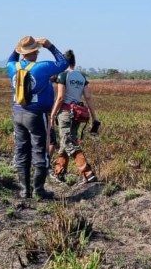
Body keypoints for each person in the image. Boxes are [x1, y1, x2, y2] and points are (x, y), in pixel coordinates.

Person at [7, 35, 68, 199]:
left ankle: (24, 190)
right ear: (35, 51)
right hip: (36, 114)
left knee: (22, 150)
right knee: (40, 151)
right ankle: (39, 191)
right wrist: (50, 46)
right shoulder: (42, 67)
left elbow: (11, 58)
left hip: (17, 113)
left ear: (21, 52)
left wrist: (18, 46)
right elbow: (64, 63)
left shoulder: (12, 66)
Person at [49, 49, 100, 184]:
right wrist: (95, 117)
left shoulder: (63, 76)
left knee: (68, 143)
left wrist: (52, 115)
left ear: (64, 62)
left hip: (65, 113)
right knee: (67, 141)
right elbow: (88, 97)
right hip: (78, 114)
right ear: (74, 62)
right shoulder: (82, 77)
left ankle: (88, 173)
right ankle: (59, 172)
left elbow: (60, 98)